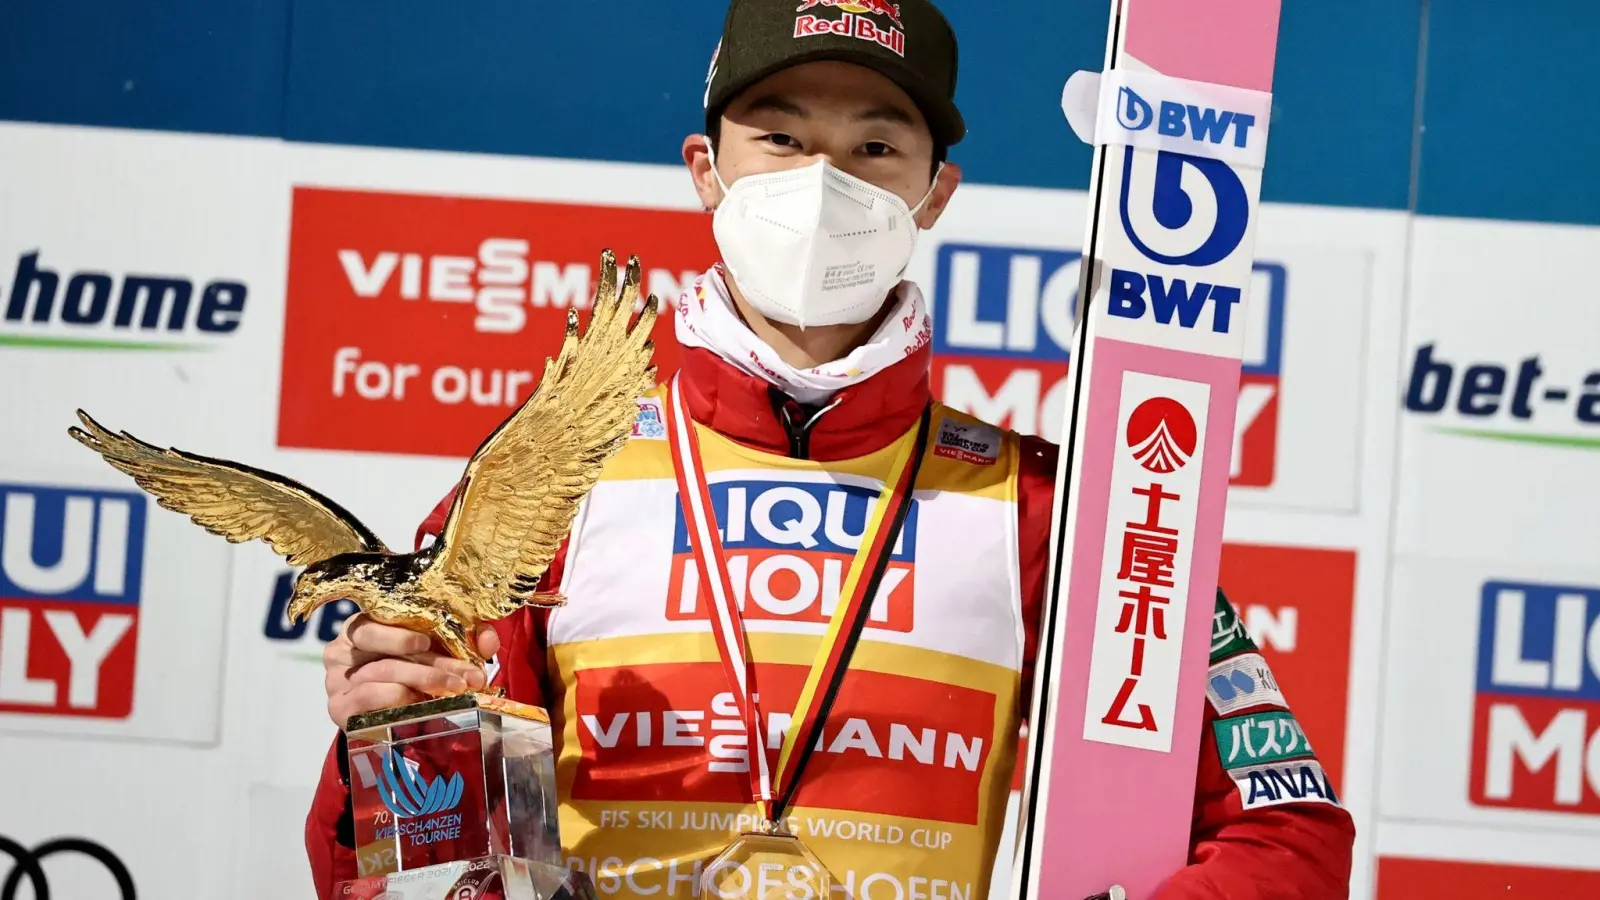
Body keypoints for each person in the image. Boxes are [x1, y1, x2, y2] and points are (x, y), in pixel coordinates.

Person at [305, 1, 1356, 897]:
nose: (823, 182)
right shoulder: (549, 483)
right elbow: (405, 857)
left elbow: (1289, 830)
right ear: (706, 169)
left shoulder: (1053, 511)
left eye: (874, 148)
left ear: (934, 193)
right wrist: (392, 756)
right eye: (781, 137)